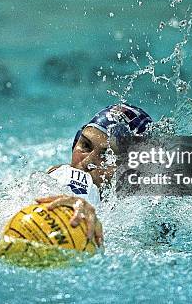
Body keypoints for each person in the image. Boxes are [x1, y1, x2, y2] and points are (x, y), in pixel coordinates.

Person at [35, 103, 153, 248]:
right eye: (86, 145)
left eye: (107, 155)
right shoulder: (53, 178)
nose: (88, 162)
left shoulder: (147, 219)